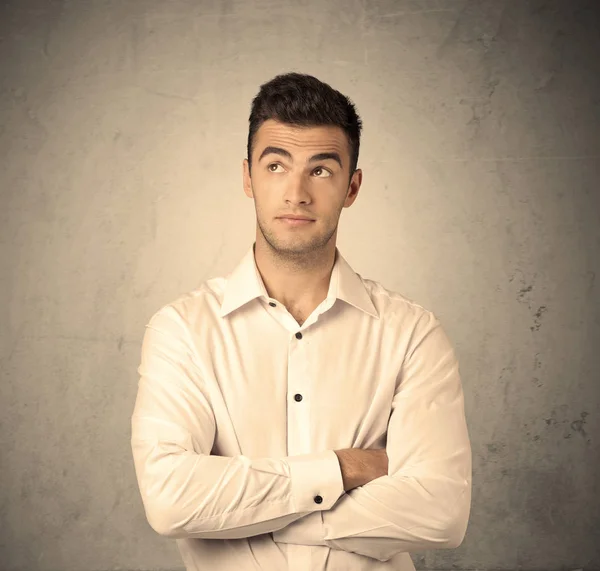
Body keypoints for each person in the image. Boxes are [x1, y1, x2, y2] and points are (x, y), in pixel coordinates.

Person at [130, 72, 472, 571]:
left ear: (352, 186)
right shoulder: (182, 330)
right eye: (276, 165)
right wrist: (347, 468)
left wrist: (245, 513)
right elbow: (169, 500)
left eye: (321, 170)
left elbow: (440, 514)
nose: (296, 193)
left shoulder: (412, 335)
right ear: (248, 177)